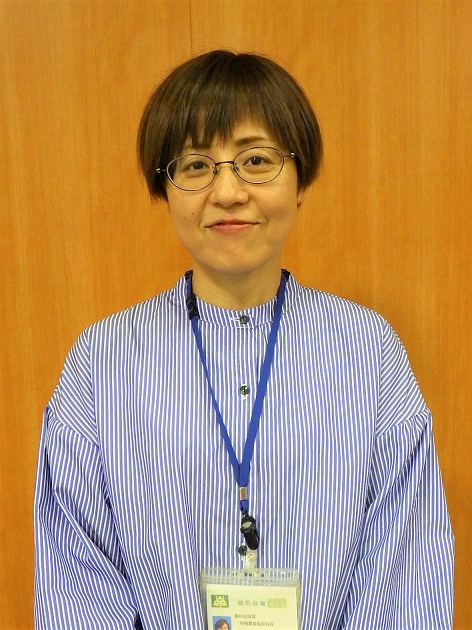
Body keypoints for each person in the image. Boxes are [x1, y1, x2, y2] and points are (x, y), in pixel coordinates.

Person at [34, 50, 454, 629]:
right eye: (196, 165)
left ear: (300, 180)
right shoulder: (101, 361)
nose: (228, 192)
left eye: (256, 160)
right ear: (165, 189)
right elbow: (77, 581)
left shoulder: (369, 352)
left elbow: (404, 574)